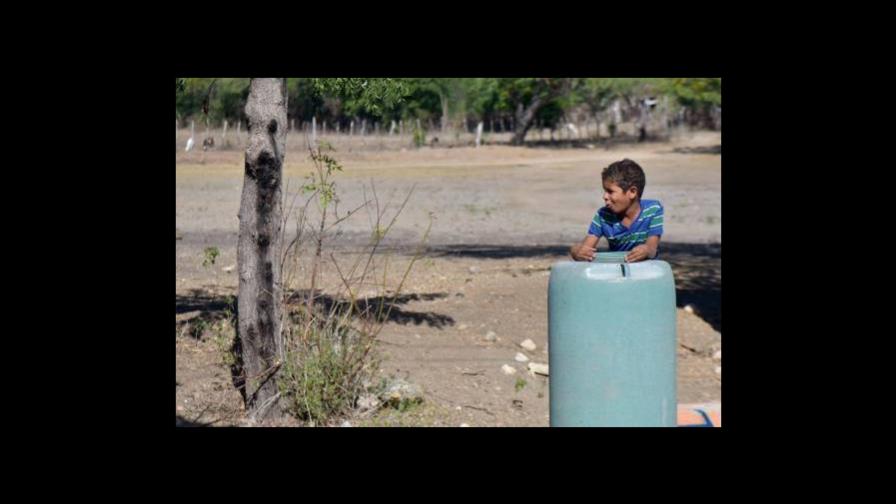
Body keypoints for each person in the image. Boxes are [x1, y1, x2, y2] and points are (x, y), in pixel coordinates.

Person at [569, 158, 664, 263]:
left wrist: (646, 250)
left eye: (610, 191)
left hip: (646, 270)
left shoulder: (653, 210)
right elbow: (585, 249)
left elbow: (652, 249)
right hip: (616, 271)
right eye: (605, 191)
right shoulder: (603, 216)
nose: (604, 196)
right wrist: (576, 251)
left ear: (632, 192)